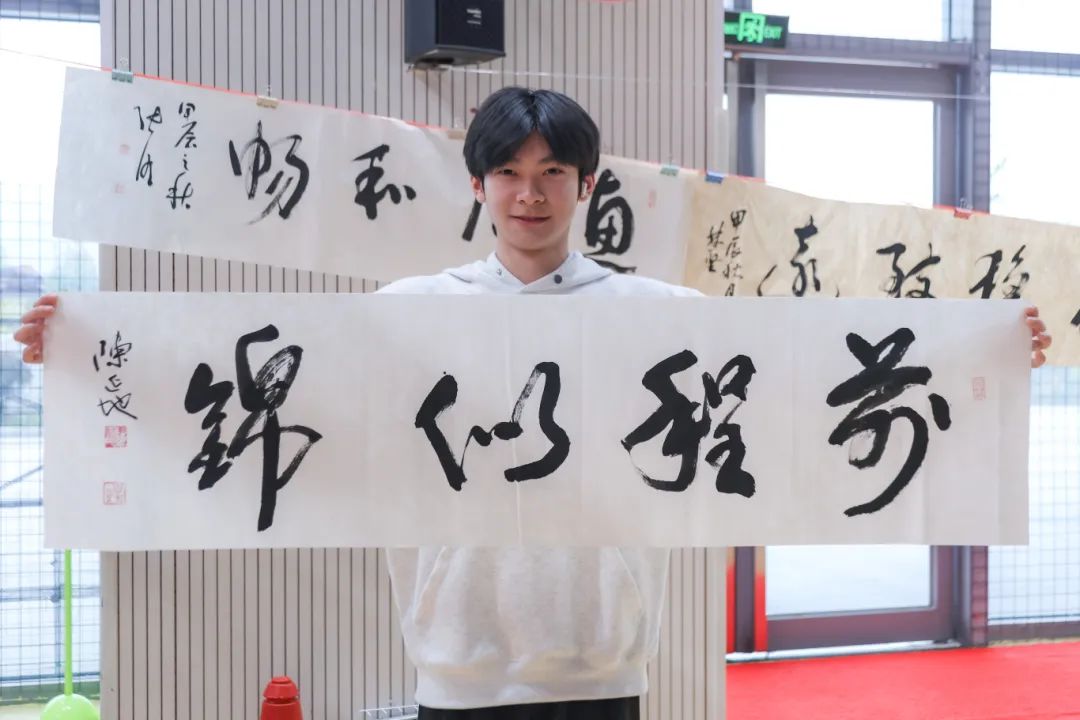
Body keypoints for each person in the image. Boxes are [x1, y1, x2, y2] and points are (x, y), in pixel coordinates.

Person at [13, 87, 1054, 719]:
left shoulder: (659, 316)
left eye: (554, 171)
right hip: (454, 668)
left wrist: (993, 360)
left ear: (588, 186)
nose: (530, 192)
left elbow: (808, 385)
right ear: (477, 186)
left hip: (605, 669)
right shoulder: (405, 314)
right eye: (509, 172)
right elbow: (252, 398)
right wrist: (80, 352)